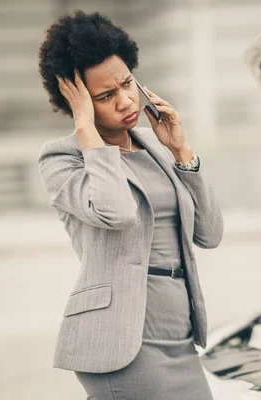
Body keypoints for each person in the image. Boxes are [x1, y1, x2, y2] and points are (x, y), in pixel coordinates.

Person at [36, 10, 223, 399]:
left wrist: (181, 150)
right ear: (78, 103)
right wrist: (88, 133)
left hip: (179, 335)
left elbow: (210, 233)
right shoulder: (62, 159)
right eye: (106, 96)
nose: (125, 101)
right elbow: (117, 212)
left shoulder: (155, 143)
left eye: (126, 84)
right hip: (123, 342)